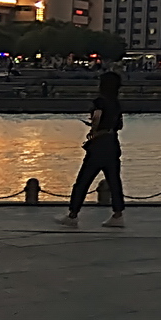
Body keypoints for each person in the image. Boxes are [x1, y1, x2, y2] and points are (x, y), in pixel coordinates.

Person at [55, 71, 127, 228]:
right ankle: (118, 215)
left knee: (83, 181)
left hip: (98, 146)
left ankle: (73, 215)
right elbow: (119, 125)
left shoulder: (99, 101)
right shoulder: (116, 103)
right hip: (113, 144)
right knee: (114, 181)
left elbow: (97, 118)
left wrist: (93, 131)